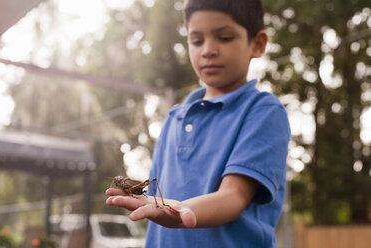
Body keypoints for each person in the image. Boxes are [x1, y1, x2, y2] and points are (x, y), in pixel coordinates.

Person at [106, 0, 290, 247]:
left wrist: (181, 212)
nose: (208, 50)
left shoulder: (263, 111)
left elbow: (233, 195)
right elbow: (153, 194)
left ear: (257, 44)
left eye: (224, 37)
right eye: (196, 40)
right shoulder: (173, 119)